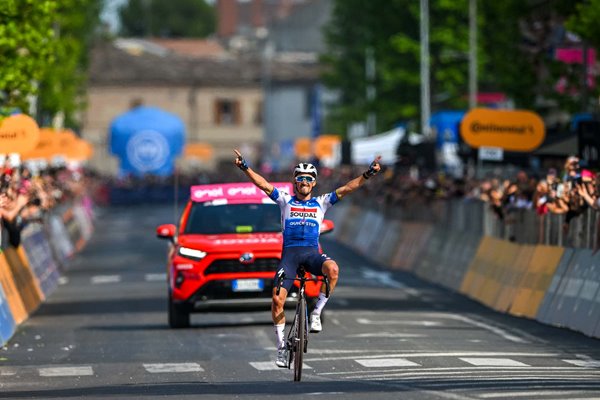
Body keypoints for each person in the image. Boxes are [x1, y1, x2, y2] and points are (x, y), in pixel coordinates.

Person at [233, 149, 382, 367]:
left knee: (333, 269)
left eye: (308, 179)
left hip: (312, 254)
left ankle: (316, 313)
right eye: (300, 178)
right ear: (295, 182)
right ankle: (282, 347)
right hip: (290, 257)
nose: (304, 181)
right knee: (276, 301)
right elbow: (263, 184)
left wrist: (369, 174)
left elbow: (348, 188)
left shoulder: (321, 202)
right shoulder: (284, 200)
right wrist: (245, 167)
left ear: (313, 183)